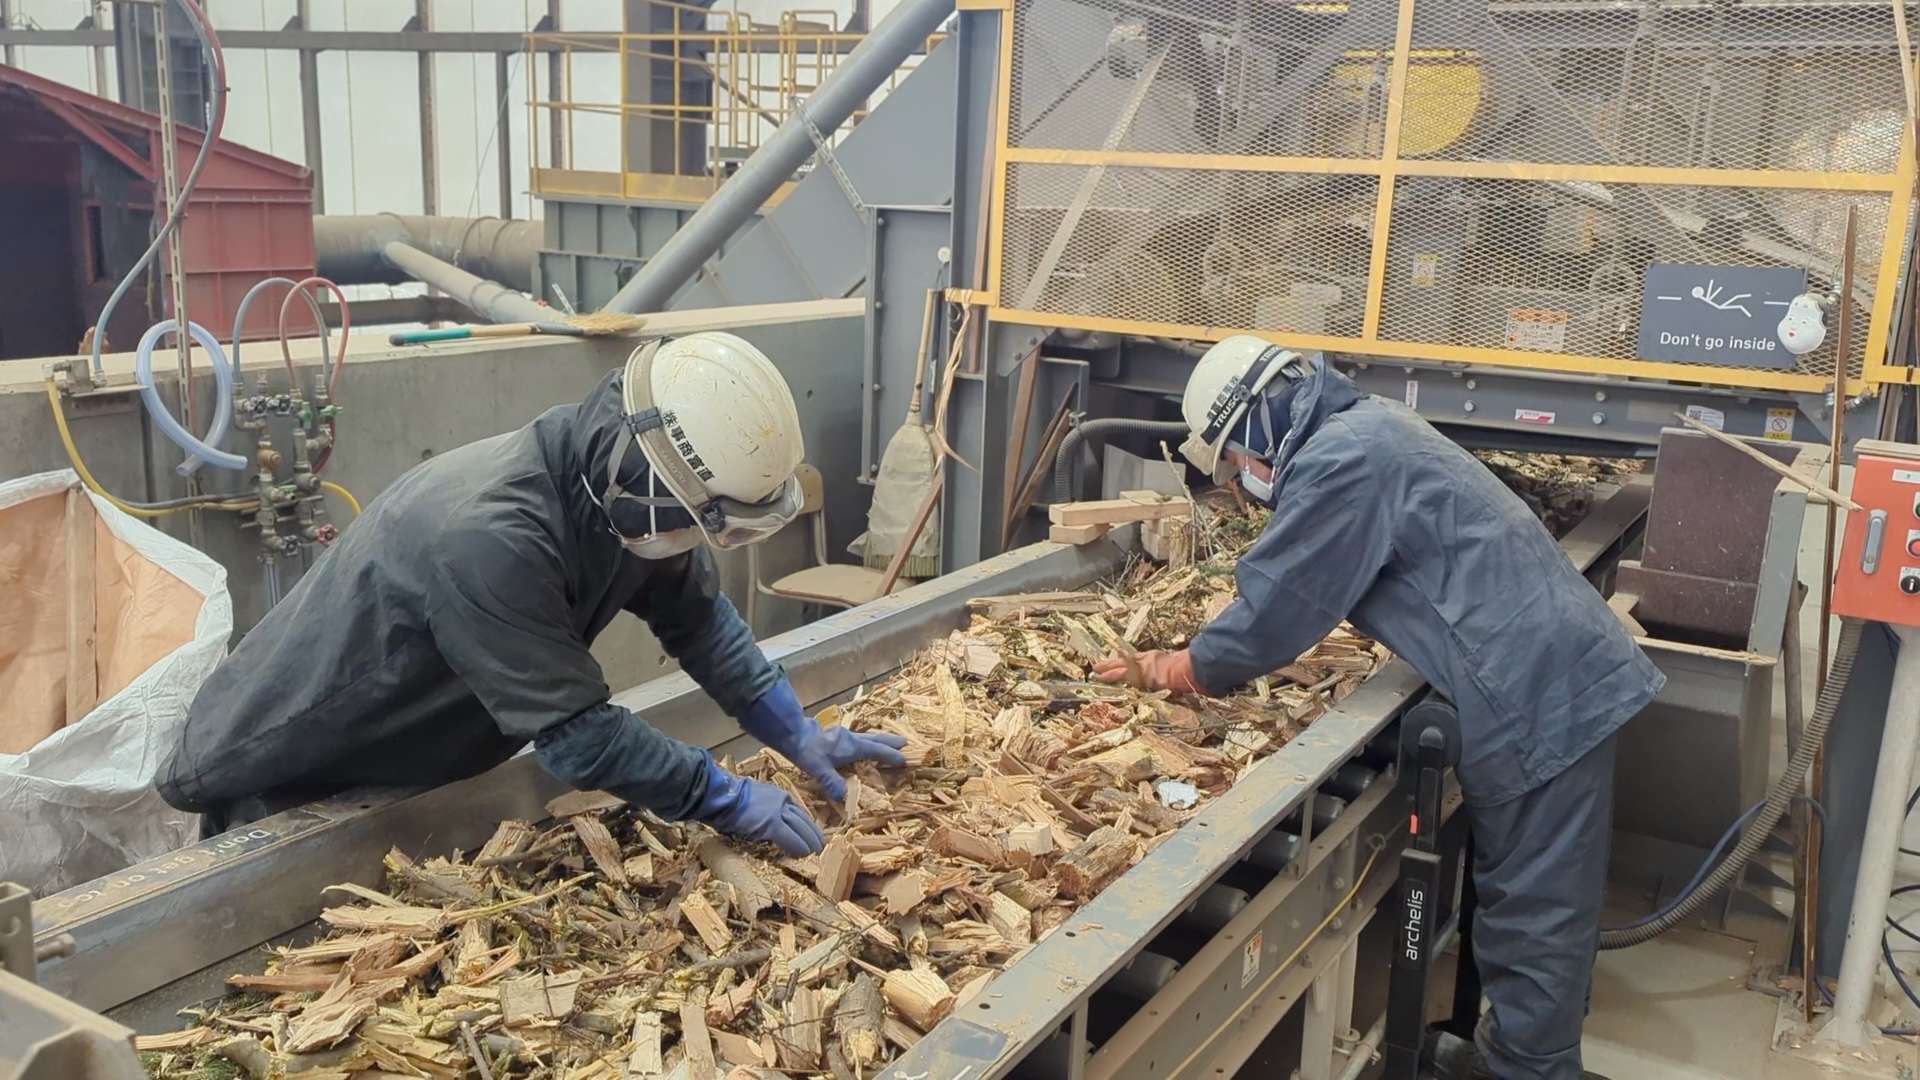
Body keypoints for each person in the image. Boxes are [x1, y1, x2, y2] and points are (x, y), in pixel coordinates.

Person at [1091, 336, 1664, 1080]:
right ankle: (1519, 1055)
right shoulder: (1370, 427)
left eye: (1237, 457)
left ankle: (1532, 1068)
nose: (1243, 475)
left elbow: (1282, 601)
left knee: (1536, 913)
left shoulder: (1340, 461)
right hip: (1547, 672)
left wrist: (1176, 667)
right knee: (1528, 900)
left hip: (1536, 696)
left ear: (1259, 421)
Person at [156, 331, 904, 855]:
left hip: (417, 752)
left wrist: (792, 728)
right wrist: (721, 797)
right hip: (299, 762)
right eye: (692, 519)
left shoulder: (623, 498)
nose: (690, 540)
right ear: (639, 476)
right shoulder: (488, 538)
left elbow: (698, 619)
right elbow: (580, 737)